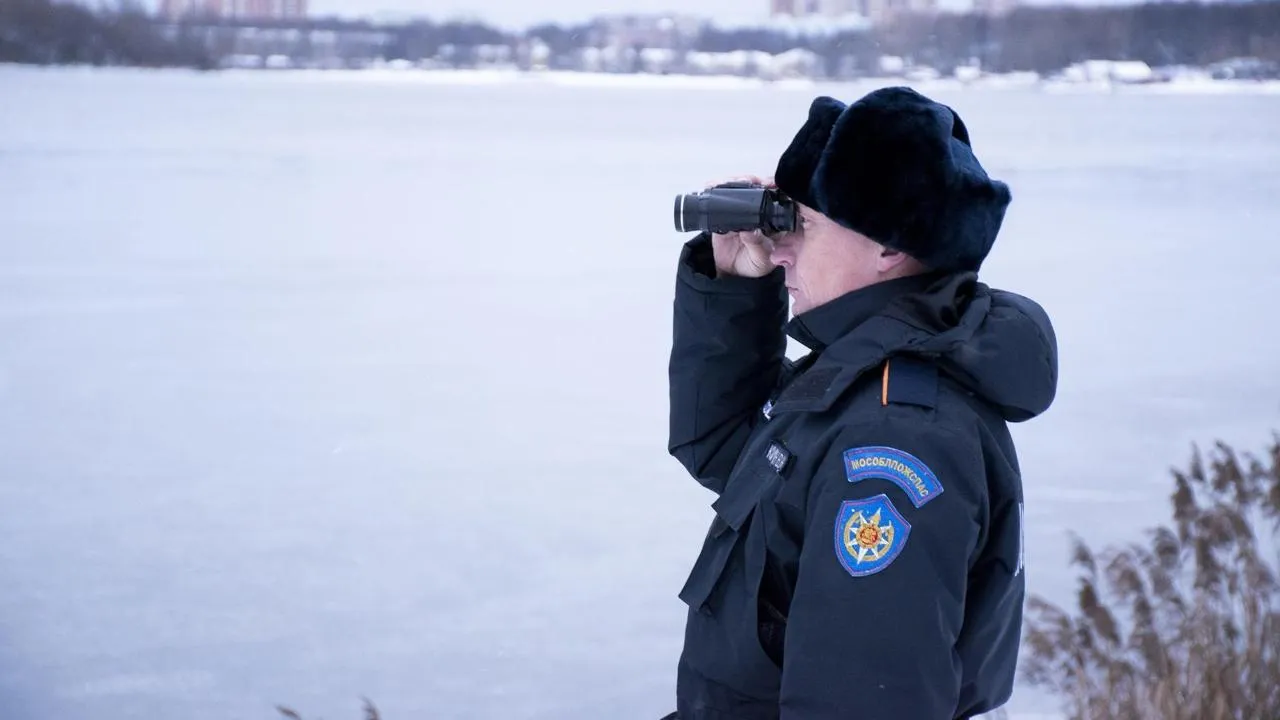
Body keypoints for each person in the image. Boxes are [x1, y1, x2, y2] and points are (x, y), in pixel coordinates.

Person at [663, 86, 1059, 720]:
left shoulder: (896, 439)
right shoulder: (858, 378)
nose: (781, 246)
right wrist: (736, 285)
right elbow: (730, 454)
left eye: (803, 224)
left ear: (887, 247)